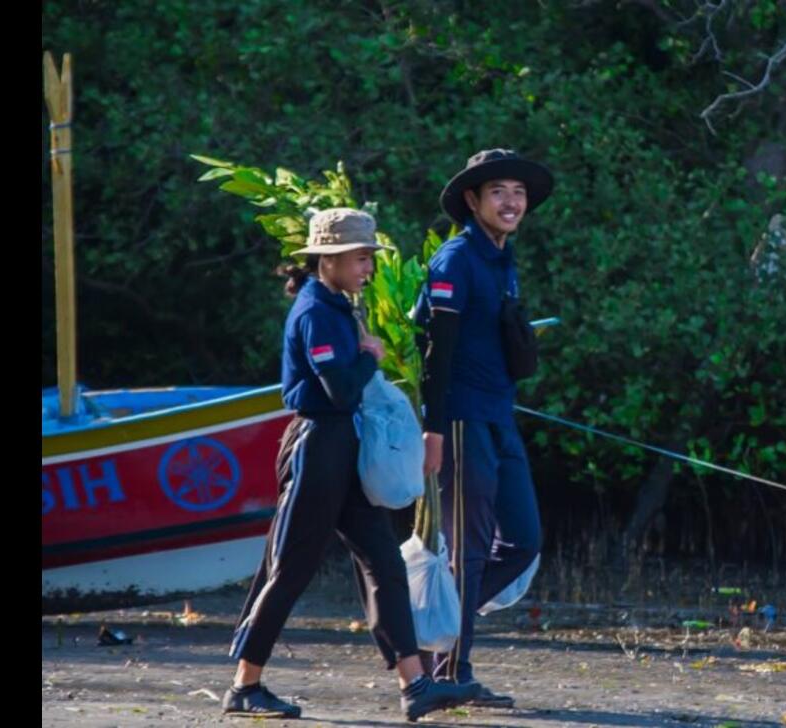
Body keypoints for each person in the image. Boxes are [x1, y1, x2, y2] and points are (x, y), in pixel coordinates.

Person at [223, 208, 480, 721]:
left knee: (384, 561)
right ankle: (244, 685)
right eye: (361, 258)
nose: (368, 268)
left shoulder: (339, 305)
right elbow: (339, 389)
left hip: (346, 447)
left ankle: (415, 685)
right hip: (317, 447)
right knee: (290, 568)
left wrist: (363, 355)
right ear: (329, 259)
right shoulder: (315, 311)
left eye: (369, 258)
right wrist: (370, 357)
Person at [415, 149, 554, 707]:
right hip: (460, 419)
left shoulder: (505, 258)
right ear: (473, 200)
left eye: (518, 192)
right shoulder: (454, 259)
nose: (511, 201)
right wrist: (433, 430)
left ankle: (427, 629)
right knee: (467, 552)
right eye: (498, 191)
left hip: (500, 415)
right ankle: (452, 673)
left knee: (523, 542)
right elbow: (436, 351)